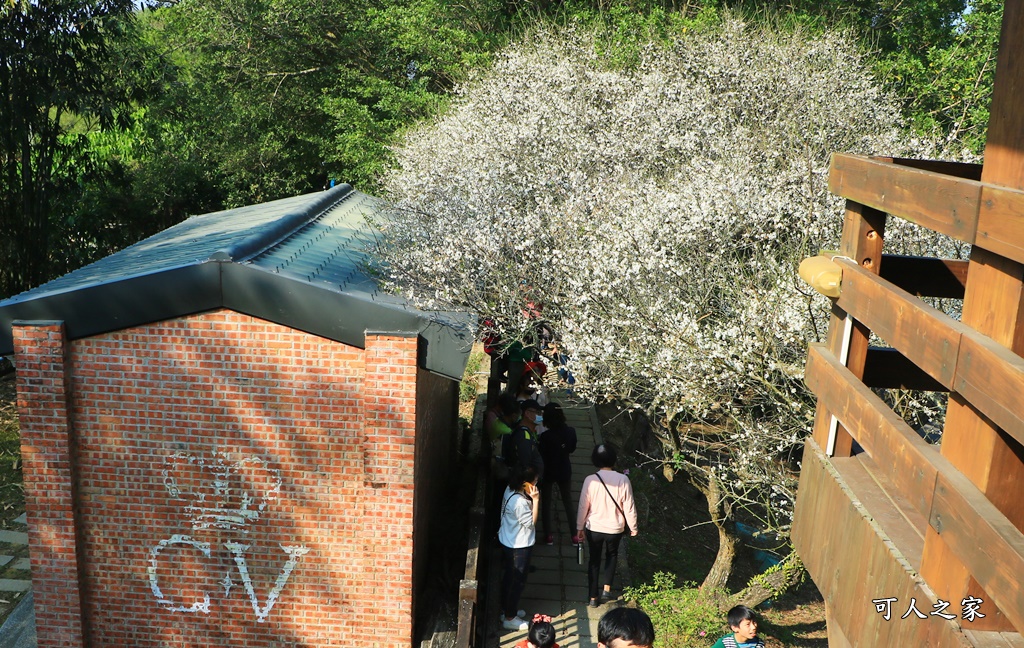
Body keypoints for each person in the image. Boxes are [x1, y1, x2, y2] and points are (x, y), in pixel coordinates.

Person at [574, 444, 638, 608]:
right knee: (612, 554)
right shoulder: (623, 479)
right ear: (614, 460)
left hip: (594, 527)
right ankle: (607, 588)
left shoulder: (590, 480)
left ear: (595, 460)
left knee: (594, 560)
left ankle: (593, 597)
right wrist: (633, 527)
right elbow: (629, 506)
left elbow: (583, 506)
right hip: (614, 528)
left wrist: (579, 526)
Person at [499, 466, 541, 631]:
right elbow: (531, 524)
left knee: (509, 579)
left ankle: (507, 610)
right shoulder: (521, 503)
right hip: (519, 546)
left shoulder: (509, 490)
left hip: (507, 540)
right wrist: (536, 501)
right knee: (517, 582)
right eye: (534, 482)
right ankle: (510, 617)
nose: (536, 484)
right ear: (525, 484)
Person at [538, 403, 577, 545]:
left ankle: (548, 535)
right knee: (568, 502)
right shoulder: (571, 432)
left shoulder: (545, 436)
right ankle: (574, 535)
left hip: (548, 470)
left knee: (546, 503)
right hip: (564, 468)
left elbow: (541, 454)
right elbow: (571, 449)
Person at [503, 399, 545, 477]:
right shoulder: (524, 436)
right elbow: (524, 464)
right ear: (527, 413)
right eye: (538, 413)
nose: (540, 416)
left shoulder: (527, 432)